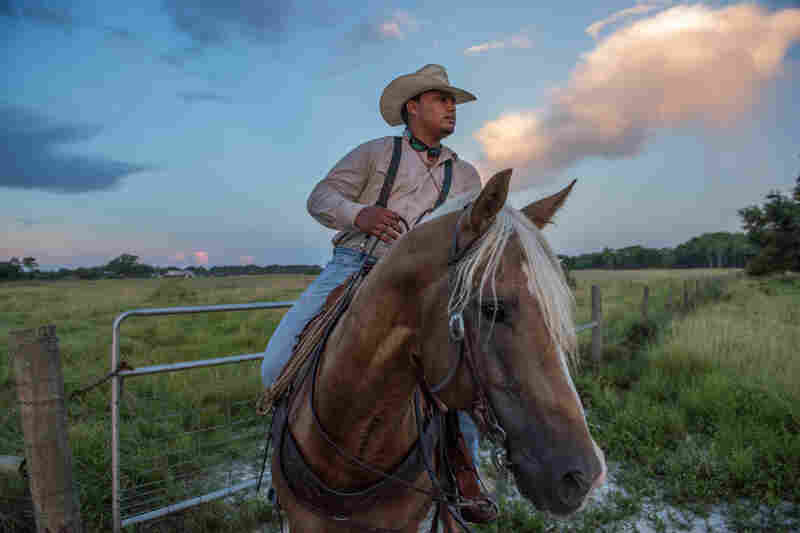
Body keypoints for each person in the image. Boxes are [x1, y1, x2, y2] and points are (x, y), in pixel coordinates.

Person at [261, 64, 496, 523]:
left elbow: (472, 231)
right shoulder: (374, 153)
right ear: (413, 106)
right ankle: (284, 473)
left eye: (452, 102)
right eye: (441, 99)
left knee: (463, 375)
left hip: (425, 283)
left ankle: (462, 471)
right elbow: (321, 197)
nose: (451, 109)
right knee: (276, 363)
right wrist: (359, 215)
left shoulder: (465, 175)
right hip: (355, 266)